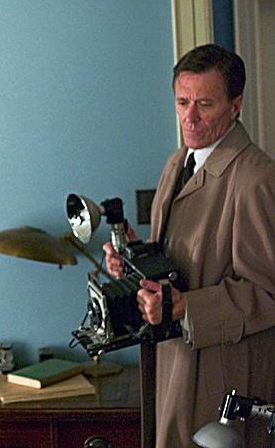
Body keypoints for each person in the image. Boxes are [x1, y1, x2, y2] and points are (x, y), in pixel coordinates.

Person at [104, 44, 275, 447]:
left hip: (222, 374)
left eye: (205, 104)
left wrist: (185, 307)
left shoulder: (256, 178)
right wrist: (135, 259)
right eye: (183, 102)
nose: (189, 116)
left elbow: (268, 292)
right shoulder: (177, 162)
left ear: (235, 106)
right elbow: (180, 260)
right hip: (172, 358)